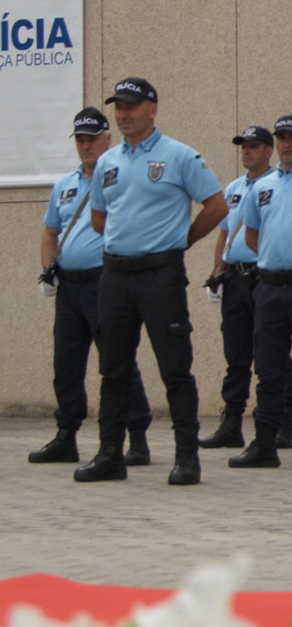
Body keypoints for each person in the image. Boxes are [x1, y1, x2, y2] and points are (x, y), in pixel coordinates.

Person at [75, 77, 227, 485]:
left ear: (152, 109)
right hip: (117, 276)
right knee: (114, 369)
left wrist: (182, 241)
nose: (123, 114)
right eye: (118, 107)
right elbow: (99, 215)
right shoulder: (108, 162)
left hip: (161, 274)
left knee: (175, 367)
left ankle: (186, 457)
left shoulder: (179, 156)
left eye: (131, 106)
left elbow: (216, 205)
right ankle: (110, 454)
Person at [30, 107, 152, 466]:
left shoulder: (119, 177)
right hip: (69, 286)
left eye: (92, 139)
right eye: (80, 140)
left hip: (106, 280)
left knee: (117, 360)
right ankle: (66, 434)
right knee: (66, 363)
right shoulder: (65, 185)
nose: (85, 147)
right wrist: (48, 269)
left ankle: (138, 437)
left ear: (107, 140)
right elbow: (50, 231)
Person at [230, 115, 292, 468]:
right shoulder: (263, 186)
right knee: (269, 368)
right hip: (270, 287)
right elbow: (251, 235)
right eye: (282, 138)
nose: (287, 145)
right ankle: (264, 443)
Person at [198, 125, 292, 450]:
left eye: (254, 146)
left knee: (274, 350)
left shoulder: (278, 185)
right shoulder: (234, 188)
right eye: (243, 147)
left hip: (264, 274)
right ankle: (232, 422)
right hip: (236, 277)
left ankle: (283, 422)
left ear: (269, 150)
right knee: (236, 351)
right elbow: (225, 233)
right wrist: (217, 271)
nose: (247, 152)